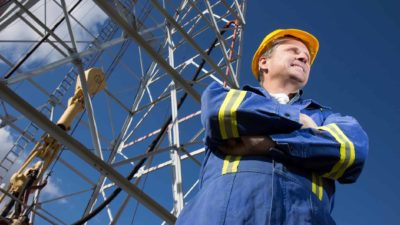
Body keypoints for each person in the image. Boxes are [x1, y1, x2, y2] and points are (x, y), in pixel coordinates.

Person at [175, 28, 369, 225]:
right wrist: (300, 122)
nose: (303, 58)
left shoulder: (327, 116)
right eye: (293, 51)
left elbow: (351, 151)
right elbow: (218, 115)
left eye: (307, 58)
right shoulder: (227, 97)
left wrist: (269, 143)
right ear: (264, 62)